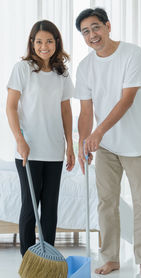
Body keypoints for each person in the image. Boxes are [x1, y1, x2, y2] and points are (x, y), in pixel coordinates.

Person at [75, 8, 141, 277]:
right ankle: (110, 258)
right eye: (85, 32)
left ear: (108, 26)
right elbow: (86, 111)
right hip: (107, 146)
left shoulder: (132, 54)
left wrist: (97, 133)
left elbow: (127, 100)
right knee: (106, 202)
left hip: (139, 145)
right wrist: (82, 142)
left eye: (96, 27)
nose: (92, 35)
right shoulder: (85, 67)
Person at [6, 20, 75, 256]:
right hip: (29, 151)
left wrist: (70, 146)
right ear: (31, 43)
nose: (43, 46)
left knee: (50, 209)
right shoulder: (23, 69)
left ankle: (47, 258)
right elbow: (11, 108)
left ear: (56, 42)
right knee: (29, 208)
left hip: (54, 150)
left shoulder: (62, 73)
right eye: (38, 41)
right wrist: (19, 139)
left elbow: (66, 110)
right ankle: (28, 258)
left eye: (48, 41)